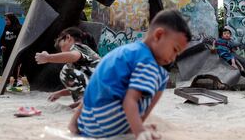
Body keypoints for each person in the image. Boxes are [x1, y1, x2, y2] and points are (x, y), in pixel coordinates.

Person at [68, 9, 191, 140]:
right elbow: (130, 101)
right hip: (108, 123)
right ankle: (136, 126)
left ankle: (134, 125)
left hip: (87, 122)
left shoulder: (125, 51)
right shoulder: (147, 62)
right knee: (162, 77)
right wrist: (139, 132)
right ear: (159, 35)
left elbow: (93, 87)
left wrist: (73, 122)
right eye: (175, 50)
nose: (173, 58)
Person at [35, 27, 100, 108]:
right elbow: (81, 86)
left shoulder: (78, 47)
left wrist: (48, 58)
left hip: (102, 87)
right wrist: (60, 93)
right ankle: (84, 101)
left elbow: (74, 55)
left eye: (61, 47)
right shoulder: (83, 63)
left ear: (68, 38)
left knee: (66, 71)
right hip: (105, 89)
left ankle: (84, 101)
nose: (62, 52)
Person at [0, 13, 22, 83]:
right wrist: (2, 45)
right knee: (5, 65)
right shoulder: (6, 27)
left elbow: (21, 39)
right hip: (6, 50)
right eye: (5, 20)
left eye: (7, 20)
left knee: (15, 65)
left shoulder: (19, 28)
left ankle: (16, 81)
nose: (6, 21)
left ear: (12, 19)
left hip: (15, 50)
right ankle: (6, 81)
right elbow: (3, 38)